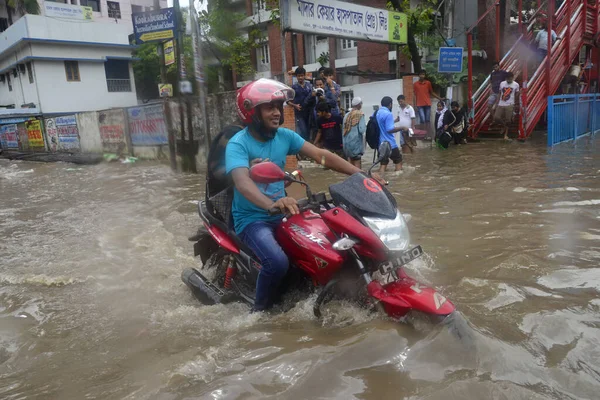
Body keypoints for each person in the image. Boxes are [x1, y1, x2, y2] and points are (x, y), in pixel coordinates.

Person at [226, 79, 382, 312]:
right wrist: (272, 204)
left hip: (285, 210)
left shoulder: (284, 137)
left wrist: (363, 175)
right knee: (277, 263)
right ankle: (258, 313)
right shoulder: (238, 144)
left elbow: (321, 156)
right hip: (253, 219)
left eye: (279, 106)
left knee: (332, 245)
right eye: (270, 107)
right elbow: (242, 182)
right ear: (252, 112)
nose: (277, 112)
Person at [376, 96, 405, 179]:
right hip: (390, 144)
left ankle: (379, 179)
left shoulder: (378, 112)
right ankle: (400, 180)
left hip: (381, 143)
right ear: (390, 104)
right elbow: (390, 129)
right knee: (398, 160)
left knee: (383, 163)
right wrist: (402, 128)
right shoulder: (388, 114)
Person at [413, 70, 444, 136]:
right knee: (423, 120)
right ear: (419, 75)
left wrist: (439, 98)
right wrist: (414, 105)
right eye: (421, 74)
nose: (422, 76)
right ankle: (422, 133)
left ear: (425, 75)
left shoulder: (428, 83)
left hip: (427, 103)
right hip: (419, 104)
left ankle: (427, 134)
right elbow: (414, 95)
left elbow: (432, 92)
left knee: (427, 120)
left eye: (423, 74)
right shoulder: (415, 84)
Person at [287, 67, 313, 140]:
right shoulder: (293, 87)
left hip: (309, 112)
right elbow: (287, 101)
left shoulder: (309, 86)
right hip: (299, 113)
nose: (300, 77)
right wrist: (295, 105)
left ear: (304, 76)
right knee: (303, 130)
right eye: (299, 76)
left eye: (302, 75)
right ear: (296, 76)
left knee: (309, 131)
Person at [494, 72, 520, 140]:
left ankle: (506, 135)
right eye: (508, 79)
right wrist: (497, 102)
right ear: (506, 78)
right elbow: (500, 93)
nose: (509, 80)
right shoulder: (502, 83)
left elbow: (517, 94)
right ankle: (504, 126)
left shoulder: (516, 85)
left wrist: (514, 103)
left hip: (510, 104)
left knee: (508, 120)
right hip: (501, 103)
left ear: (513, 78)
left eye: (511, 79)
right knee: (496, 117)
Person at [342, 97, 366, 168]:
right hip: (356, 145)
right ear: (359, 105)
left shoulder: (346, 115)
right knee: (357, 167)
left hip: (346, 145)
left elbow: (343, 129)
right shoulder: (360, 114)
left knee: (350, 167)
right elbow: (362, 130)